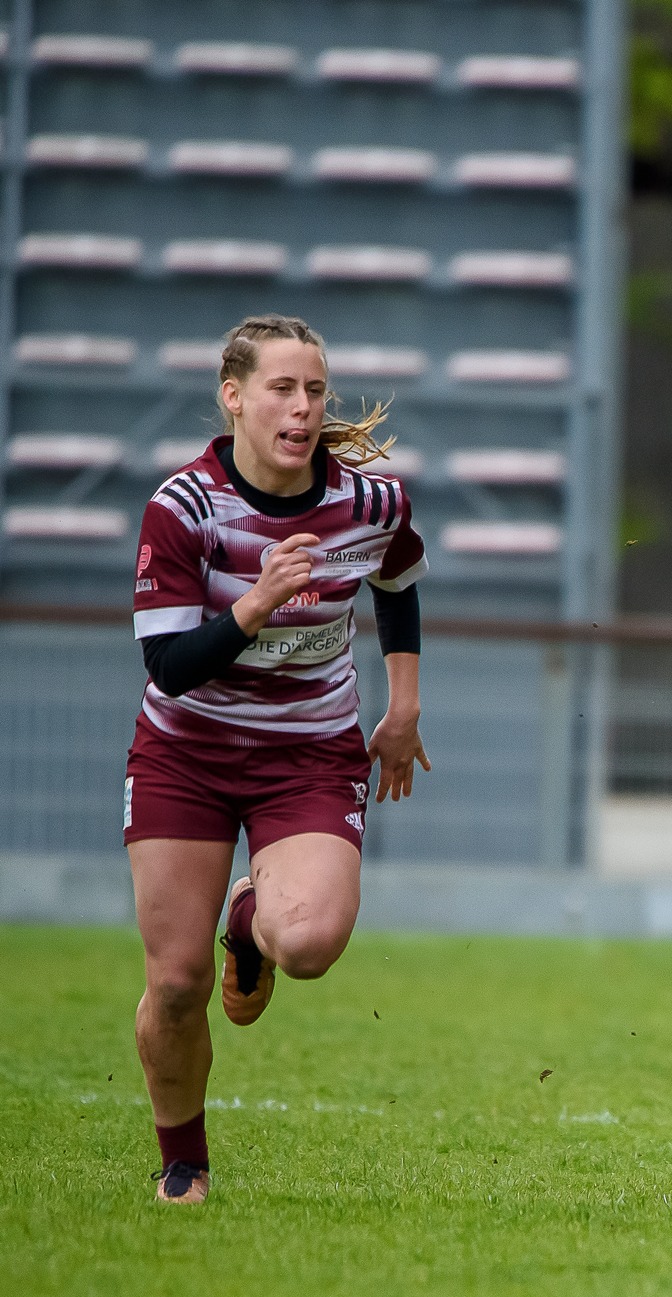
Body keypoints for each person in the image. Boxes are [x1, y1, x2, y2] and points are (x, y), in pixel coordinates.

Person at [126, 315, 431, 1205]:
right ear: (233, 399)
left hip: (308, 753)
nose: (302, 408)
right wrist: (255, 604)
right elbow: (169, 669)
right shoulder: (183, 509)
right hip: (187, 752)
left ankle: (250, 916)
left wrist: (402, 704)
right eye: (281, 389)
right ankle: (184, 1159)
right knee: (177, 984)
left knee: (307, 942)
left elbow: (400, 576)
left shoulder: (370, 502)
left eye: (314, 390)